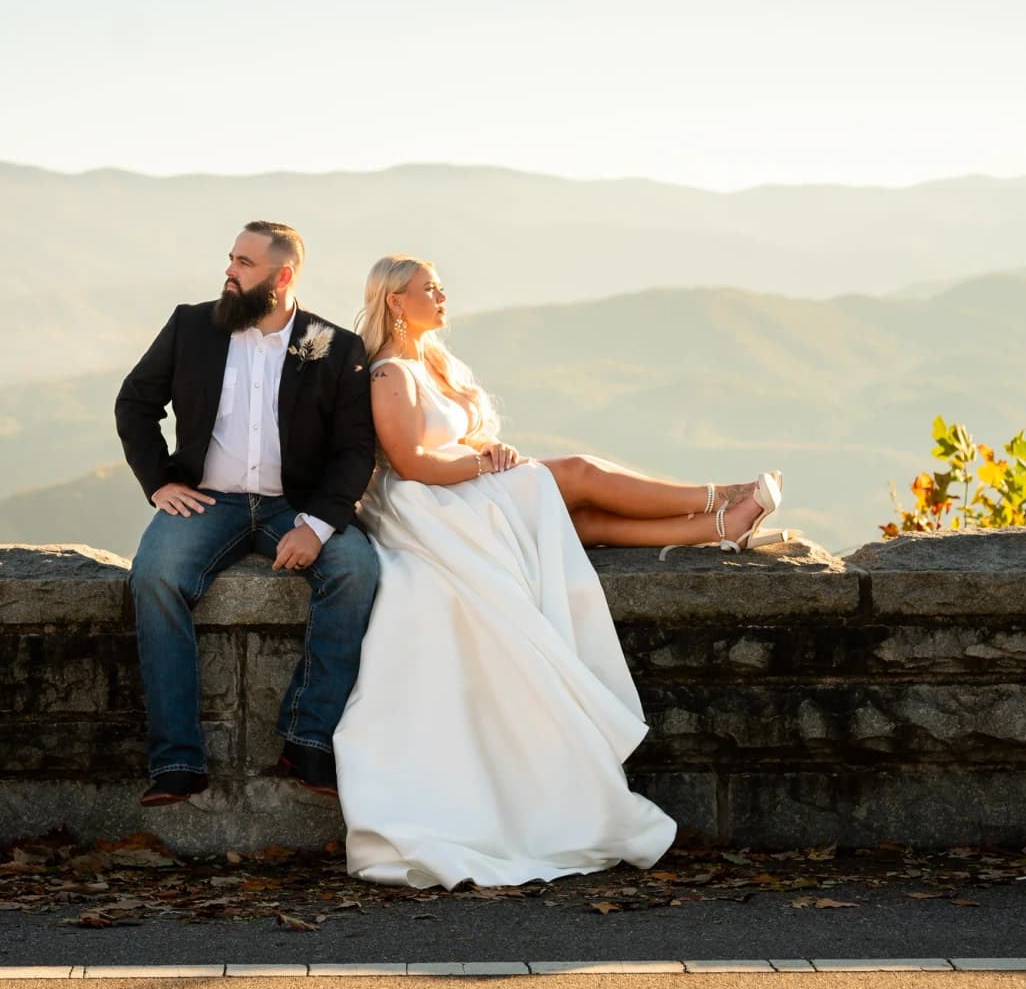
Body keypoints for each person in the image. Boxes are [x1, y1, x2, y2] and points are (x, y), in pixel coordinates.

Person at [332, 255, 786, 889]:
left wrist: (482, 461)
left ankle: (719, 528)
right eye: (427, 289)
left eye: (439, 284)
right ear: (394, 303)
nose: (442, 294)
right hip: (434, 504)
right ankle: (719, 494)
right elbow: (411, 463)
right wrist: (486, 463)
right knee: (575, 474)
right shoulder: (389, 373)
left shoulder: (434, 364)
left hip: (463, 487)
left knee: (579, 521)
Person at [116, 222, 380, 808]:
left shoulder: (334, 346)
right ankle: (178, 761)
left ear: (283, 277)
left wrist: (317, 526)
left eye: (245, 262)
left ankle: (308, 737)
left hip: (297, 506)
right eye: (231, 257)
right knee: (155, 577)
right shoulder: (192, 325)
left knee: (356, 570)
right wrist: (159, 482)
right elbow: (135, 401)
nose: (230, 270)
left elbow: (355, 449)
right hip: (209, 501)